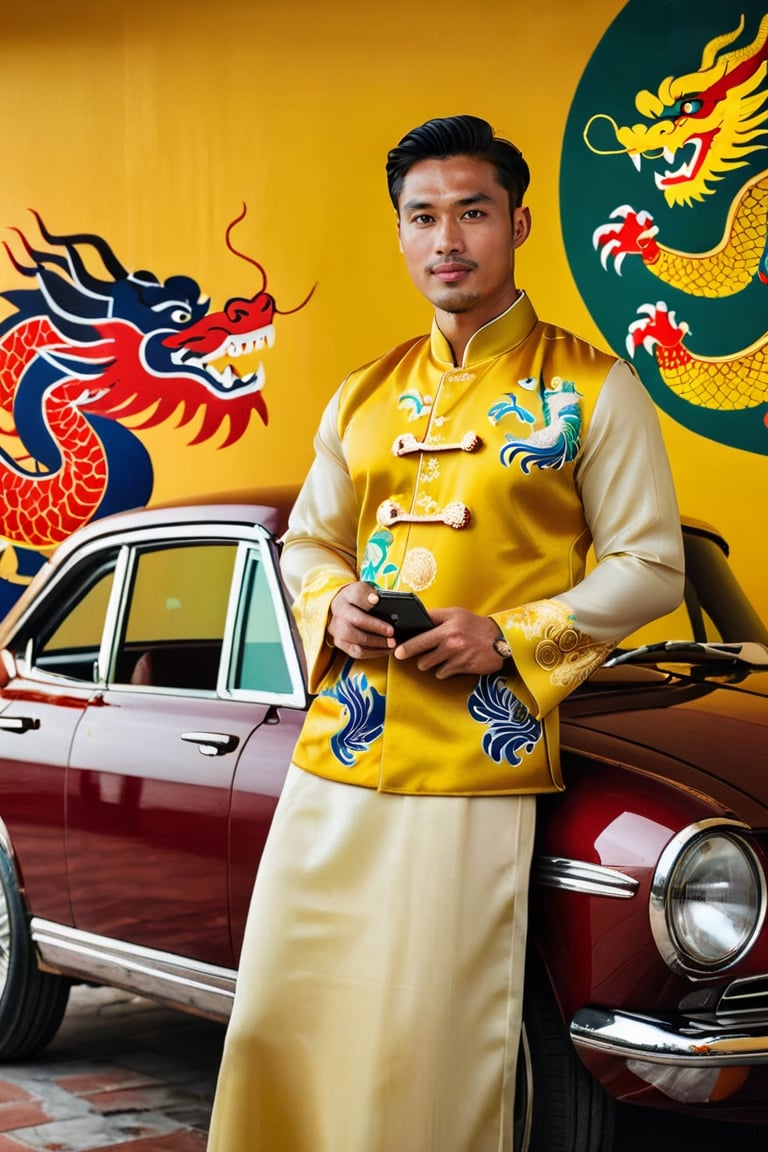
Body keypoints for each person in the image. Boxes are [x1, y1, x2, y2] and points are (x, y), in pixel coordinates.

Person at [206, 114, 684, 1152]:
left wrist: (508, 636)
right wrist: (328, 602)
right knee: (286, 1015)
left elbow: (652, 565)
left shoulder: (597, 390)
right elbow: (308, 544)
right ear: (401, 234)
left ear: (517, 223)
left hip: (478, 764)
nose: (447, 240)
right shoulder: (362, 396)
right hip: (339, 754)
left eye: (471, 213)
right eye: (423, 217)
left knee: (425, 1041)